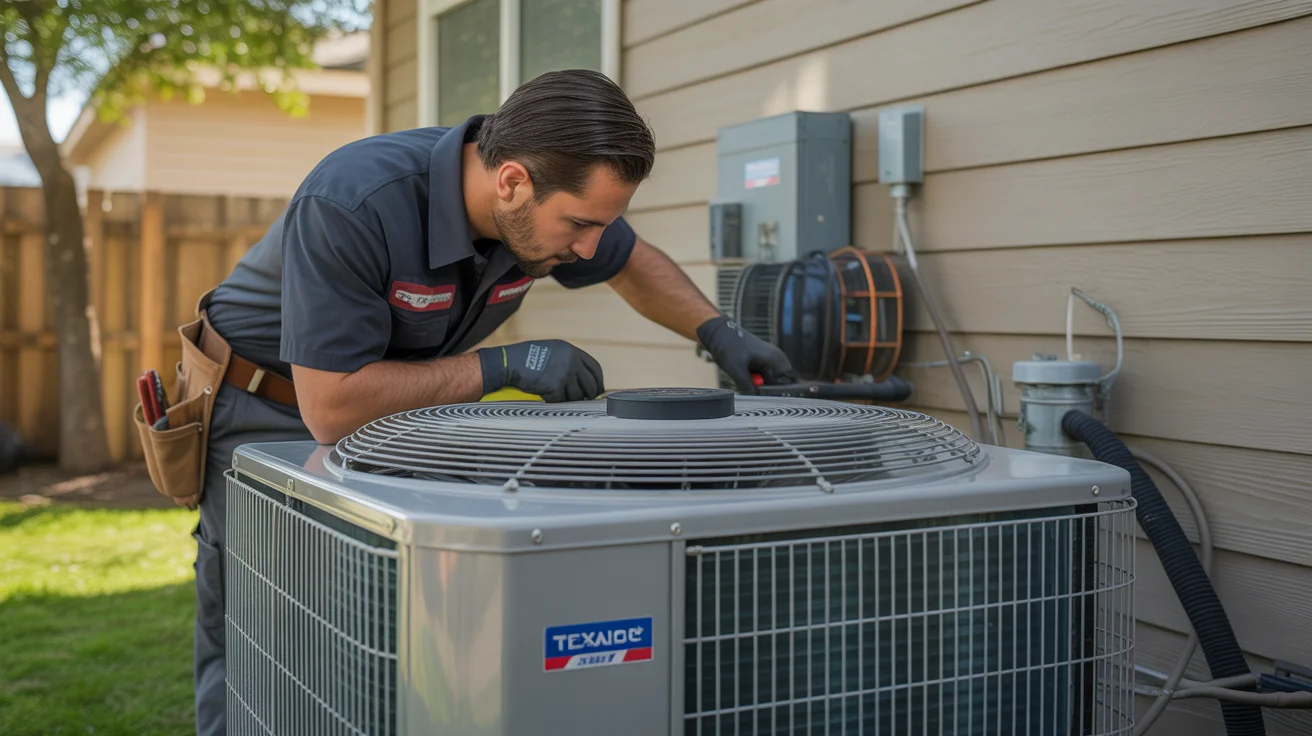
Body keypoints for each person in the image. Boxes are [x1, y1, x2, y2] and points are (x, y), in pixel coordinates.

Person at [186, 69, 796, 734]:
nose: (588, 249)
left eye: (602, 225)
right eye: (581, 225)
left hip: (396, 410)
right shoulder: (357, 201)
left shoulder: (545, 201)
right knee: (263, 625)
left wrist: (719, 333)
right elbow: (330, 408)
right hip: (263, 404)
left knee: (377, 615)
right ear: (510, 182)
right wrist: (507, 364)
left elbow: (629, 262)